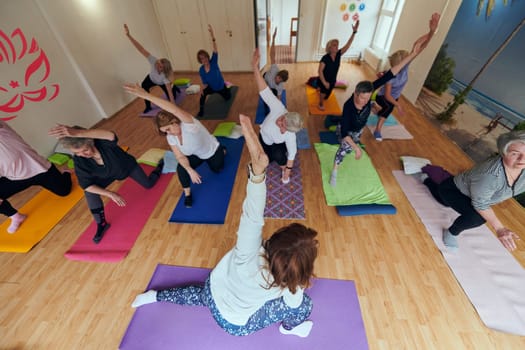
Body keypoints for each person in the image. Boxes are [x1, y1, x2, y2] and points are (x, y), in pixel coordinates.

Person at [131, 114, 319, 338]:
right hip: (234, 324)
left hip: (212, 292)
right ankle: (290, 329)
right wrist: (298, 280)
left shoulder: (248, 252)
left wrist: (258, 173)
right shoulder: (292, 283)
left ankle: (154, 297)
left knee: (199, 294)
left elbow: (252, 214)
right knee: (304, 305)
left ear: (277, 238)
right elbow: (293, 300)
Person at [329, 13, 440, 187]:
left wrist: (428, 36)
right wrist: (357, 147)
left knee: (355, 138)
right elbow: (346, 134)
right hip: (348, 128)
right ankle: (335, 170)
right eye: (362, 98)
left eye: (368, 98)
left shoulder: (369, 91)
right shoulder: (349, 106)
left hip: (359, 129)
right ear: (355, 94)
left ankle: (351, 140)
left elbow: (392, 72)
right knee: (344, 147)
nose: (364, 100)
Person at [48, 125, 164, 243]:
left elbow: (110, 134)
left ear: (91, 142)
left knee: (149, 185)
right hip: (105, 176)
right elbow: (86, 185)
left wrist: (77, 133)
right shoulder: (79, 160)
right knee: (89, 192)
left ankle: (159, 167)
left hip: (126, 167)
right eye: (77, 152)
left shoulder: (103, 143)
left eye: (85, 150)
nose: (83, 154)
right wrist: (110, 194)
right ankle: (101, 224)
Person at [124, 83, 225, 208]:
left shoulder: (189, 125)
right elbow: (180, 156)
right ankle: (187, 194)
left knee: (217, 169)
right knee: (181, 167)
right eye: (165, 131)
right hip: (195, 154)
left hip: (211, 151)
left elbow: (174, 109)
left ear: (174, 121)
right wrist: (190, 170)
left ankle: (222, 149)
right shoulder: (170, 136)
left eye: (168, 129)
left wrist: (146, 95)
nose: (168, 133)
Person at [423, 130, 525, 252]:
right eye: (515, 153)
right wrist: (500, 229)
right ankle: (451, 232)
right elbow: (480, 204)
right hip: (453, 190)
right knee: (476, 217)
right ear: (503, 153)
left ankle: (431, 182)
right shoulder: (490, 175)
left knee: (450, 203)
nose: (522, 159)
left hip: (473, 193)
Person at [372, 13, 439, 141]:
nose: (409, 58)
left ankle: (374, 108)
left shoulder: (405, 67)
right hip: (382, 97)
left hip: (394, 97)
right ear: (400, 63)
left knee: (385, 110)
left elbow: (420, 46)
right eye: (406, 58)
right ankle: (378, 129)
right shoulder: (390, 77)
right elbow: (387, 96)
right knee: (388, 107)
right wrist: (398, 105)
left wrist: (431, 32)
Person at [0, 121, 72, 233]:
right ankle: (15, 216)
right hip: (14, 178)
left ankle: (65, 172)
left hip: (40, 170)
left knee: (64, 191)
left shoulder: (3, 132)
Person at [252, 49, 303, 185]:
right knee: (262, 159)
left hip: (277, 145)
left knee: (279, 156)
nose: (279, 121)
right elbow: (264, 90)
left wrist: (286, 172)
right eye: (283, 118)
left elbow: (292, 156)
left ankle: (281, 167)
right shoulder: (278, 107)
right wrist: (255, 68)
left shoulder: (290, 136)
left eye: (282, 124)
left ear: (288, 130)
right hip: (263, 138)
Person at [124, 23, 179, 113]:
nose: (158, 66)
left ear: (164, 69)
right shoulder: (154, 61)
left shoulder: (165, 76)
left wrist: (174, 108)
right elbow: (141, 49)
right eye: (158, 64)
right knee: (144, 86)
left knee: (172, 96)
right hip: (151, 79)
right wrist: (129, 35)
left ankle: (175, 87)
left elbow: (169, 92)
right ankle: (148, 106)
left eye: (160, 67)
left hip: (161, 83)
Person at [317, 20, 360, 111]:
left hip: (333, 80)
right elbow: (320, 71)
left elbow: (348, 44)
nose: (337, 46)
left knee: (327, 96)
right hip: (324, 79)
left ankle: (321, 91)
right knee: (323, 94)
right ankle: (320, 103)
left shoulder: (338, 54)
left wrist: (354, 32)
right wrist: (324, 83)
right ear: (329, 47)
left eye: (337, 45)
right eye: (334, 45)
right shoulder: (325, 58)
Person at [197, 24, 231, 117]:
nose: (205, 60)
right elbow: (204, 83)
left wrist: (212, 36)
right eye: (202, 59)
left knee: (228, 98)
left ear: (208, 57)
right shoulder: (201, 70)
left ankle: (227, 87)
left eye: (205, 57)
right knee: (202, 95)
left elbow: (215, 49)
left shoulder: (214, 62)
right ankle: (201, 110)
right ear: (200, 61)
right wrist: (202, 90)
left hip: (221, 87)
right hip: (211, 88)